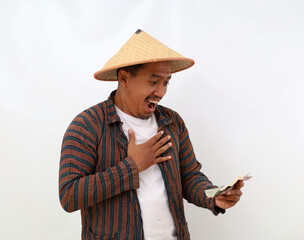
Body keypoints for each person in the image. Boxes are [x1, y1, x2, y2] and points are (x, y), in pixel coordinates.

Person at [59, 29, 244, 240]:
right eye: (153, 82)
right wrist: (133, 167)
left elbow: (190, 176)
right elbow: (69, 195)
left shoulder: (172, 122)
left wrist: (213, 196)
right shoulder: (87, 125)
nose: (161, 92)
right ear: (124, 78)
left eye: (165, 82)